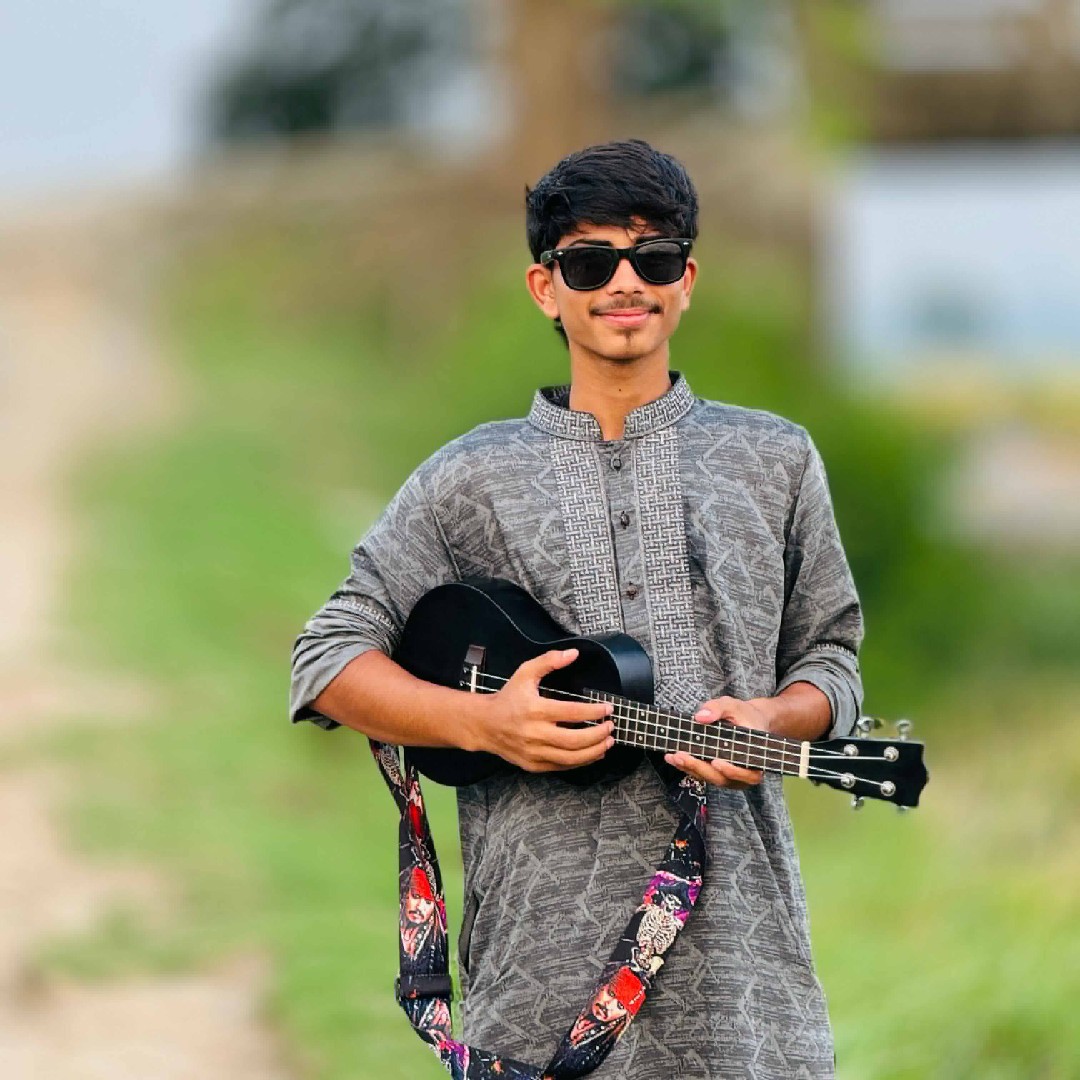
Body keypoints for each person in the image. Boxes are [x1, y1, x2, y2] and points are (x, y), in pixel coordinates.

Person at [290, 139, 863, 1078]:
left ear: (687, 282)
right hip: (535, 967)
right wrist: (484, 723)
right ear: (545, 288)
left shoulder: (778, 459)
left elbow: (831, 661)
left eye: (654, 257)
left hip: (744, 971)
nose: (625, 282)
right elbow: (325, 659)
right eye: (591, 262)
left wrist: (774, 718)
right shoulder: (467, 478)